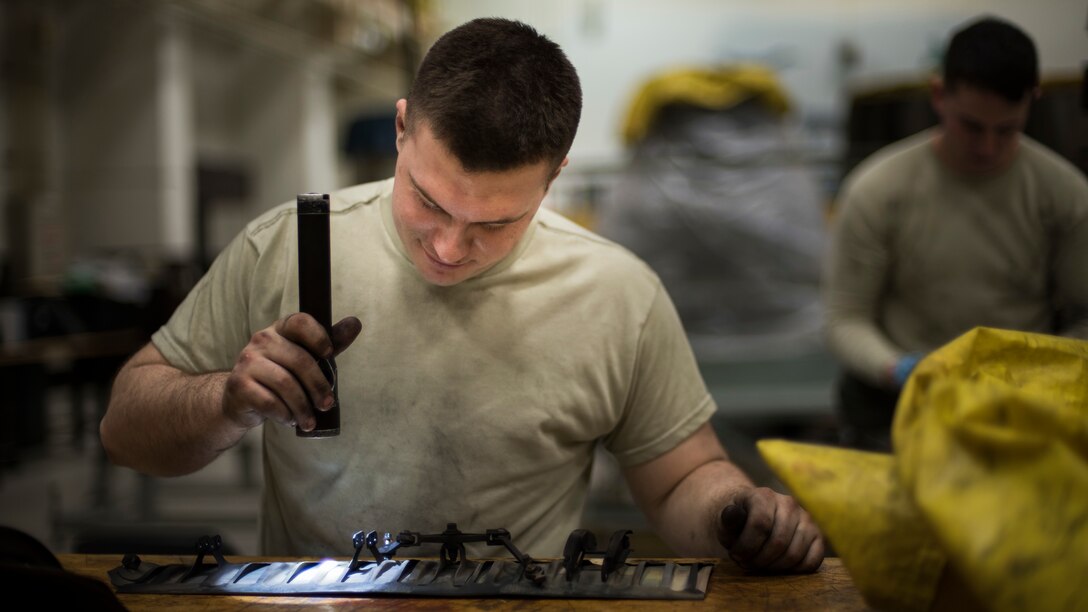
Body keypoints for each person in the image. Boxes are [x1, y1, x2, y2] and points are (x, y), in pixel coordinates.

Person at [100, 17, 823, 572]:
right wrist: (229, 399)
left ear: (556, 174)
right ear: (402, 127)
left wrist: (738, 512)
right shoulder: (288, 246)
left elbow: (681, 480)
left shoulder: (617, 294)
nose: (448, 248)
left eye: (496, 222)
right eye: (429, 202)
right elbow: (124, 431)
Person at [823, 15, 1088, 451]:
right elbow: (845, 319)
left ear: (1032, 102)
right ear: (938, 95)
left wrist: (1039, 370)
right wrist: (901, 369)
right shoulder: (878, 191)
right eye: (971, 126)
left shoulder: (1064, 195)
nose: (987, 147)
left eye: (1006, 130)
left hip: (1026, 404)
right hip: (901, 403)